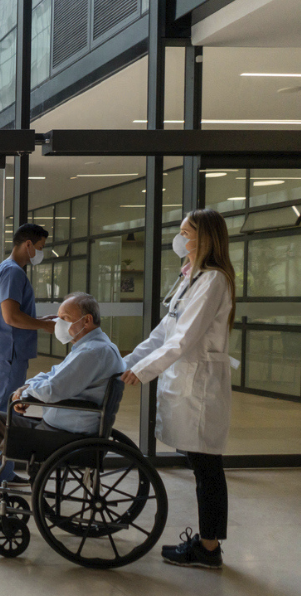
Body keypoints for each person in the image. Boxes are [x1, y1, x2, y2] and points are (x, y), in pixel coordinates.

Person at [0, 293, 125, 511]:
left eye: (65, 318)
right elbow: (52, 374)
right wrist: (25, 389)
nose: (58, 324)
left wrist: (26, 393)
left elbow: (52, 389)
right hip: (63, 430)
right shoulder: (92, 347)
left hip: (63, 439)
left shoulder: (93, 352)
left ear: (86, 320)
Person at [121, 209, 236, 569]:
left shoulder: (213, 280)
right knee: (201, 465)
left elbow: (184, 340)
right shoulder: (192, 277)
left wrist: (144, 371)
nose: (179, 238)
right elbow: (162, 333)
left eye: (185, 232)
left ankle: (209, 548)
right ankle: (208, 544)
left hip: (200, 386)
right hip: (186, 382)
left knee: (207, 468)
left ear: (204, 239)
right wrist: (126, 362)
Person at [0, 223, 56, 484]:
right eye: (40, 248)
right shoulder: (13, 273)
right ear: (28, 244)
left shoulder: (6, 269)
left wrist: (40, 318)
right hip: (9, 352)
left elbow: (13, 314)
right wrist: (44, 325)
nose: (40, 253)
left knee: (0, 411)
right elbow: (11, 316)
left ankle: (0, 474)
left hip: (6, 350)